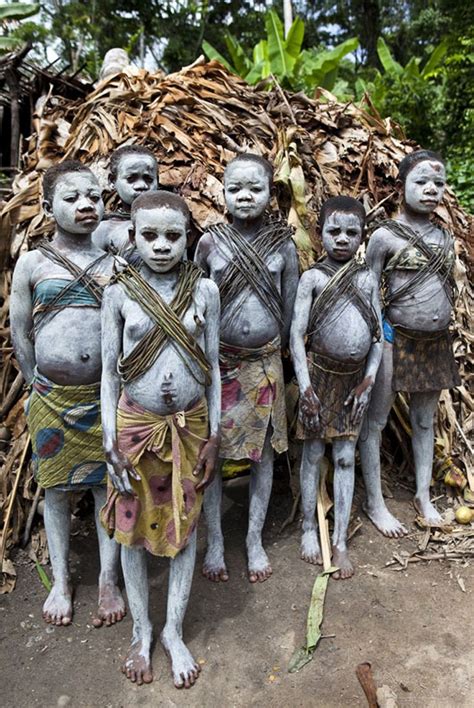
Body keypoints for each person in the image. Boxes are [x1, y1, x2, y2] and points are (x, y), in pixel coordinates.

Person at [100, 191, 221, 687]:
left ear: (187, 236)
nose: (162, 246)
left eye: (173, 235)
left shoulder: (205, 291)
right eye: (149, 235)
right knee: (131, 528)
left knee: (184, 526)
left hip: (189, 429)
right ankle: (141, 630)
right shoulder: (119, 293)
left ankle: (172, 630)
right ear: (132, 237)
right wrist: (110, 440)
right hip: (135, 429)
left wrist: (213, 435)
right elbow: (109, 374)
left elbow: (212, 366)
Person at [10, 160, 124, 627]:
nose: (85, 205)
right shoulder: (33, 263)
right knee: (55, 490)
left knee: (107, 487)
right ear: (46, 206)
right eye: (73, 198)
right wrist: (38, 378)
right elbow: (21, 332)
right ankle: (60, 579)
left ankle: (108, 579)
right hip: (52, 398)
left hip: (105, 400)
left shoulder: (114, 264)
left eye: (94, 197)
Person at [195, 153, 299, 583]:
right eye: (235, 187)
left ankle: (253, 540)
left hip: (266, 365)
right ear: (222, 190)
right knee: (213, 454)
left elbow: (291, 309)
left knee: (262, 457)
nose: (244, 196)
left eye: (254, 188)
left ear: (270, 193)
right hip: (219, 366)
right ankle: (216, 540)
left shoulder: (283, 246)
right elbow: (195, 300)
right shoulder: (209, 244)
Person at [359, 150, 460, 535]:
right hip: (392, 338)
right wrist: (375, 339)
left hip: (433, 341)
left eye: (438, 183)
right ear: (402, 186)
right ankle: (375, 502)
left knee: (423, 419)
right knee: (377, 420)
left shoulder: (444, 237)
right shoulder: (384, 236)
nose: (431, 189)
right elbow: (369, 290)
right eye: (421, 182)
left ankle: (422, 494)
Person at [290, 197, 382, 578]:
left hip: (354, 382)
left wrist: (369, 380)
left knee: (346, 456)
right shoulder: (312, 278)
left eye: (351, 232)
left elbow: (376, 337)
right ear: (320, 233)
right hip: (320, 377)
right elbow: (296, 338)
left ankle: (341, 539)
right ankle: (310, 528)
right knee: (313, 454)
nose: (342, 239)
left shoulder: (367, 279)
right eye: (334, 231)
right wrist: (306, 386)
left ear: (362, 236)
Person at [92, 144, 158, 258]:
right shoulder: (104, 229)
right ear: (112, 181)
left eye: (149, 179)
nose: (141, 185)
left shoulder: (173, 221)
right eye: (131, 179)